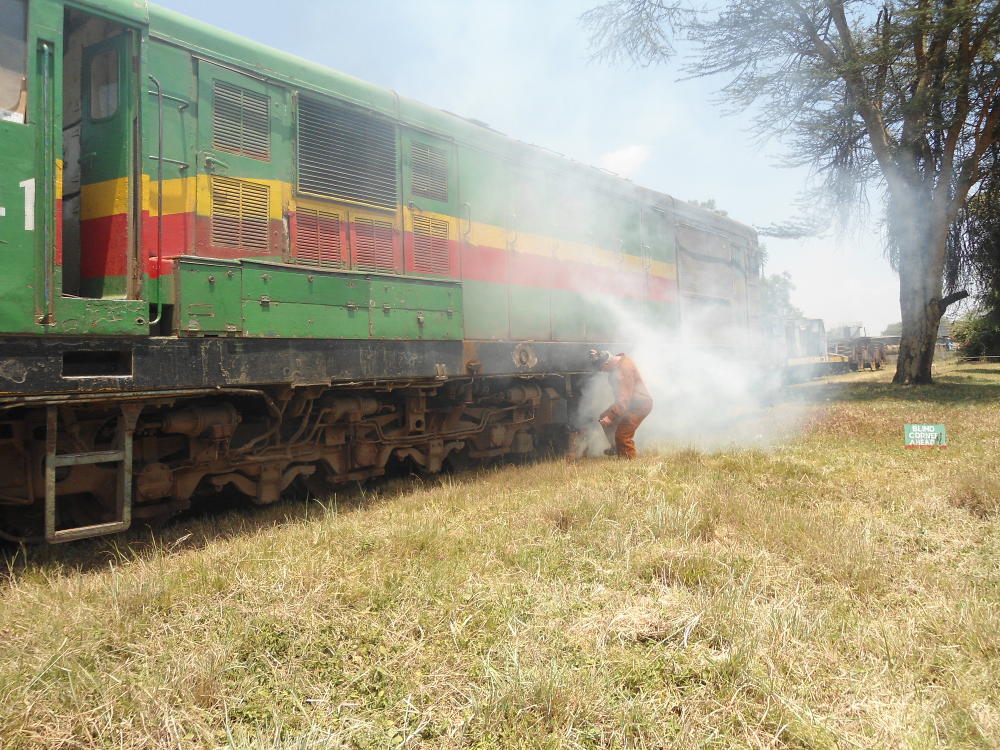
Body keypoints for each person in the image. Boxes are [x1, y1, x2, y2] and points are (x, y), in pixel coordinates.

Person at [587, 349, 653, 459]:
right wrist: (597, 353)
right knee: (604, 417)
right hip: (630, 403)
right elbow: (605, 355)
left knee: (622, 435)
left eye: (602, 368)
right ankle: (617, 447)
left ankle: (628, 462)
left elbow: (624, 399)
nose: (603, 371)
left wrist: (611, 416)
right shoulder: (617, 361)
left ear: (607, 363)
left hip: (639, 405)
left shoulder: (623, 370)